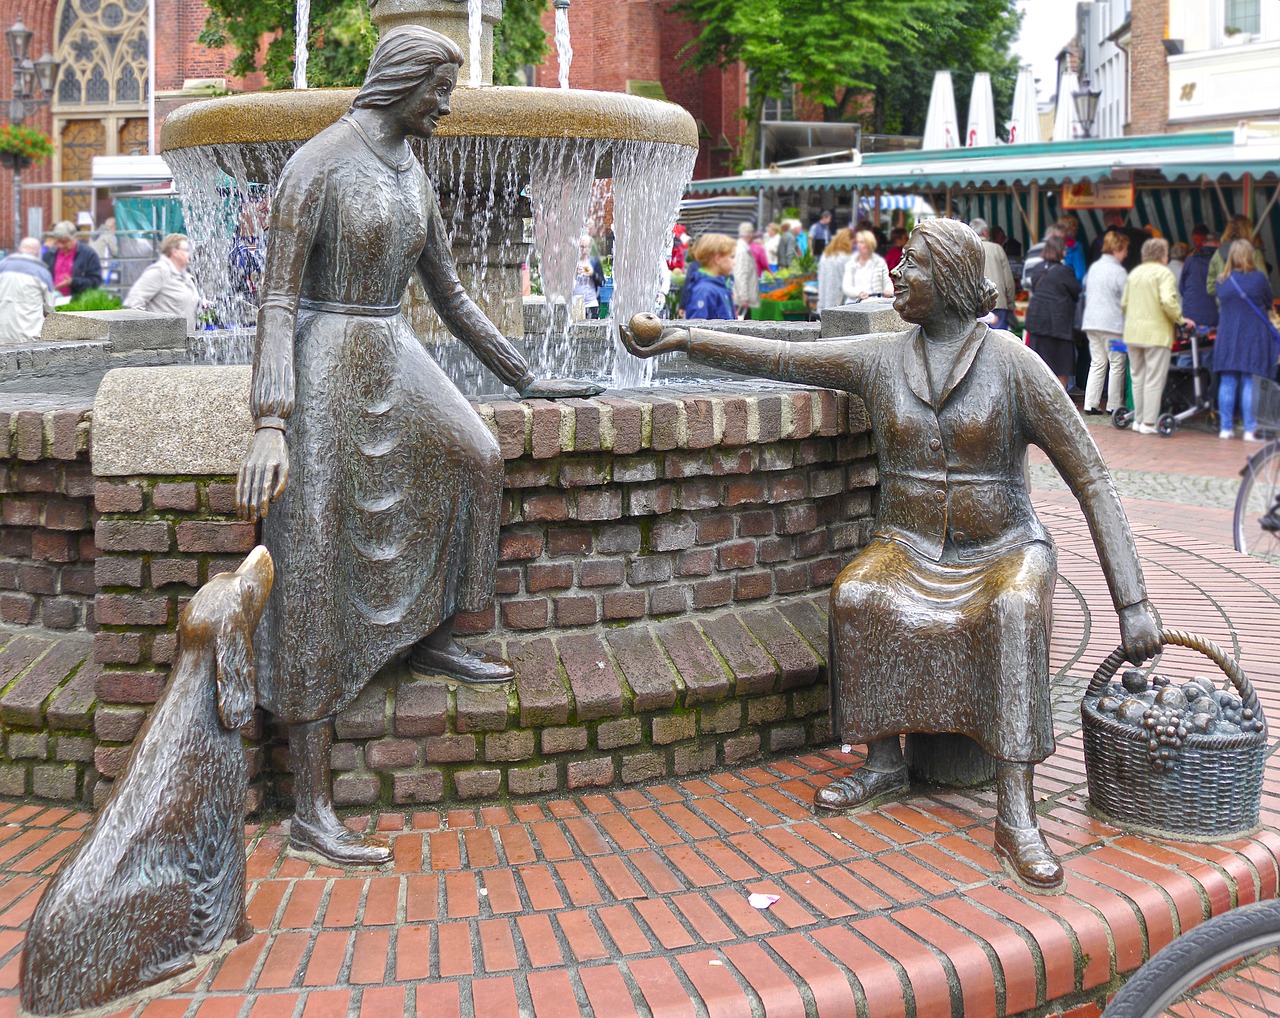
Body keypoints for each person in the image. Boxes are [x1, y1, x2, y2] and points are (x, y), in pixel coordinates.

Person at [620, 218, 1161, 892]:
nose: (897, 274)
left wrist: (1133, 600)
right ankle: (883, 762)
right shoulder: (881, 358)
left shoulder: (1013, 364)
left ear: (956, 282)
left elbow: (1093, 477)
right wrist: (683, 338)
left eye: (914, 263)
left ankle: (1016, 809)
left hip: (1003, 546)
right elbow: (781, 359)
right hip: (907, 545)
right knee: (860, 592)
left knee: (1016, 608)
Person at [235, 26, 599, 868]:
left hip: (395, 348)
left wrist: (526, 380)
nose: (448, 103)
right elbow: (278, 302)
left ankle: (433, 629)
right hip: (327, 356)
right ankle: (311, 809)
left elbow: (455, 295)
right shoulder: (317, 165)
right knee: (313, 561)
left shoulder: (414, 172)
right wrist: (269, 418)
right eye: (440, 86)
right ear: (404, 83)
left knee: (476, 456)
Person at [1121, 237, 1193, 435]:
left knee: (1137, 377)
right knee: (1153, 378)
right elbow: (1168, 301)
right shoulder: (1164, 273)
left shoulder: (1134, 273)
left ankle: (1138, 420)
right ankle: (1149, 423)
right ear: (1163, 254)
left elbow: (1125, 303)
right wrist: (1180, 319)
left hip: (1133, 333)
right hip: (1156, 334)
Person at [1214, 239, 1278, 442]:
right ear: (1250, 255)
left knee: (1228, 380)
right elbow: (1269, 300)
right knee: (1250, 381)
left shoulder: (1222, 280)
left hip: (1227, 336)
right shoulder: (1259, 278)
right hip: (1253, 337)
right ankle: (1250, 430)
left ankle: (1225, 429)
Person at [1081, 230, 1130, 415]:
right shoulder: (1119, 271)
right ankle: (1114, 405)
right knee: (1117, 363)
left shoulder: (1094, 268)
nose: (1126, 254)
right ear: (1117, 248)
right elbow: (1127, 299)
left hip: (1092, 323)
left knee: (1098, 362)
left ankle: (1090, 403)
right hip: (1113, 326)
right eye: (1124, 249)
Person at [1024, 235, 1081, 387]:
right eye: (1064, 249)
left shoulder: (1037, 269)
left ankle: (1040, 402)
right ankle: (1060, 404)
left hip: (1037, 324)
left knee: (1040, 367)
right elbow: (1076, 291)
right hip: (1059, 325)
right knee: (1062, 367)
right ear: (1060, 251)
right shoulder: (1065, 271)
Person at [124, 233, 203, 333]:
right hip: (167, 344)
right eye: (187, 250)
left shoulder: (185, 276)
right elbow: (134, 304)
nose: (190, 253)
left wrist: (200, 304)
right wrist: (154, 334)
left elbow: (180, 302)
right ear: (175, 252)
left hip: (186, 342)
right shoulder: (158, 272)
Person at [0, 238, 57, 343]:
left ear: (20, 250)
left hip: (2, 335)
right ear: (37, 252)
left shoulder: (2, 266)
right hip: (28, 335)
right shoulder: (42, 273)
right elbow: (50, 308)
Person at [969, 218, 1017, 330]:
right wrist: (1010, 304)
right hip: (998, 303)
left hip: (975, 305)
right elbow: (1008, 281)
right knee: (999, 343)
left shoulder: (966, 249)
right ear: (985, 232)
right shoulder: (997, 249)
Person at [1207, 215, 1269, 298]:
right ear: (1248, 230)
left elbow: (1210, 288)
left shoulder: (1218, 253)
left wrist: (1227, 292)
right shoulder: (1254, 251)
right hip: (1250, 304)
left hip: (1226, 308)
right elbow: (1264, 282)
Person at [42, 221, 102, 300]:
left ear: (74, 238)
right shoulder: (49, 254)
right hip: (52, 302)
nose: (60, 245)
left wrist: (73, 282)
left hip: (77, 303)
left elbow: (96, 282)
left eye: (64, 242)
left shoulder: (88, 254)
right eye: (57, 242)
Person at [682, 233, 735, 320]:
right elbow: (697, 328)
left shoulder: (720, 286)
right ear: (718, 259)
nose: (734, 262)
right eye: (732, 257)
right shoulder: (703, 290)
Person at [1179, 224, 1219, 331]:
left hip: (1191, 316)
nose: (1197, 243)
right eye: (1194, 240)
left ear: (1206, 240)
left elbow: (1181, 288)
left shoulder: (1190, 259)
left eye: (1199, 240)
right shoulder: (1191, 256)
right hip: (1212, 315)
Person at [841, 229, 893, 301]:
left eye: (862, 242)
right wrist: (858, 293)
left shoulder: (880, 262)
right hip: (855, 303)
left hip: (874, 303)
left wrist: (888, 290)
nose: (858, 245)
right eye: (857, 242)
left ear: (870, 244)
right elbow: (846, 286)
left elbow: (887, 281)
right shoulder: (851, 263)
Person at [815, 228, 854, 313]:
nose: (853, 245)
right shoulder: (847, 258)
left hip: (822, 303)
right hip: (837, 306)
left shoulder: (825, 256)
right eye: (853, 242)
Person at [572, 234, 606, 319]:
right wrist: (575, 273)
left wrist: (592, 274)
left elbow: (602, 282)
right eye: (581, 247)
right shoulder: (573, 263)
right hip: (575, 303)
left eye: (586, 247)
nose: (583, 250)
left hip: (591, 303)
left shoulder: (594, 262)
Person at [732, 223, 761, 319]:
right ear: (750, 234)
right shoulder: (742, 251)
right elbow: (740, 275)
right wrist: (744, 297)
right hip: (740, 300)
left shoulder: (742, 248)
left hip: (740, 297)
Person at [1056, 215, 1086, 284]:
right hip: (1072, 286)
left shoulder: (1054, 244)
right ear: (1072, 228)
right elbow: (1080, 274)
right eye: (1076, 227)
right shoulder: (1076, 246)